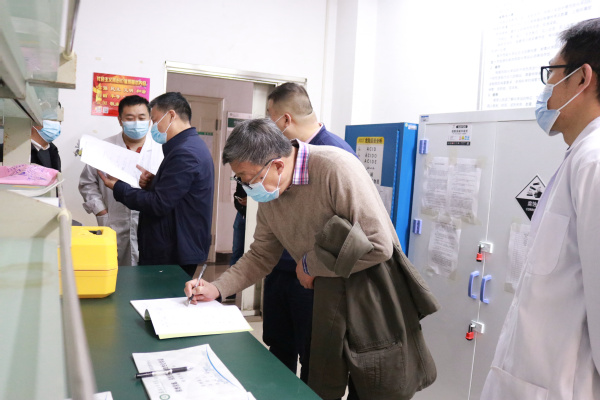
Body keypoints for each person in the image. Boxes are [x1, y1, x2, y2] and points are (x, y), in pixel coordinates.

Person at [185, 119, 438, 399]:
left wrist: (310, 265)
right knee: (322, 383)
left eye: (248, 178)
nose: (246, 187)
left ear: (277, 165)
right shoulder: (270, 192)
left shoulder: (336, 168)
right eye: (240, 180)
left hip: (370, 291)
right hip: (325, 294)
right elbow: (261, 255)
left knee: (374, 382)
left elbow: (378, 245)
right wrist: (217, 288)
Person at [481, 18, 600, 399]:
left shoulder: (594, 162)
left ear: (582, 79)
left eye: (552, 73)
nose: (546, 88)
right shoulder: (580, 156)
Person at [258, 82, 356, 382]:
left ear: (285, 119)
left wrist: (314, 265)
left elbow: (351, 232)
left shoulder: (335, 156)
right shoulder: (283, 154)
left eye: (270, 116)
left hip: (315, 279)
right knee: (278, 348)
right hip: (280, 270)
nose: (268, 124)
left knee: (313, 358)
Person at [98, 92, 214, 276]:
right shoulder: (187, 146)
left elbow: (159, 203)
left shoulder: (185, 152)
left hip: (174, 249)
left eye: (154, 119)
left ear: (171, 115)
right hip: (173, 244)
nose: (152, 126)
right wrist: (154, 183)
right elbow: (176, 193)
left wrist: (119, 187)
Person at [79, 95, 164, 266]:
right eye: (130, 118)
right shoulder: (103, 148)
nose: (136, 123)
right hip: (113, 222)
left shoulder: (161, 150)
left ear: (150, 120)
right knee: (113, 270)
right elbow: (87, 182)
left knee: (147, 272)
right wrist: (101, 212)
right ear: (120, 120)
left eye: (141, 118)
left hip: (149, 224)